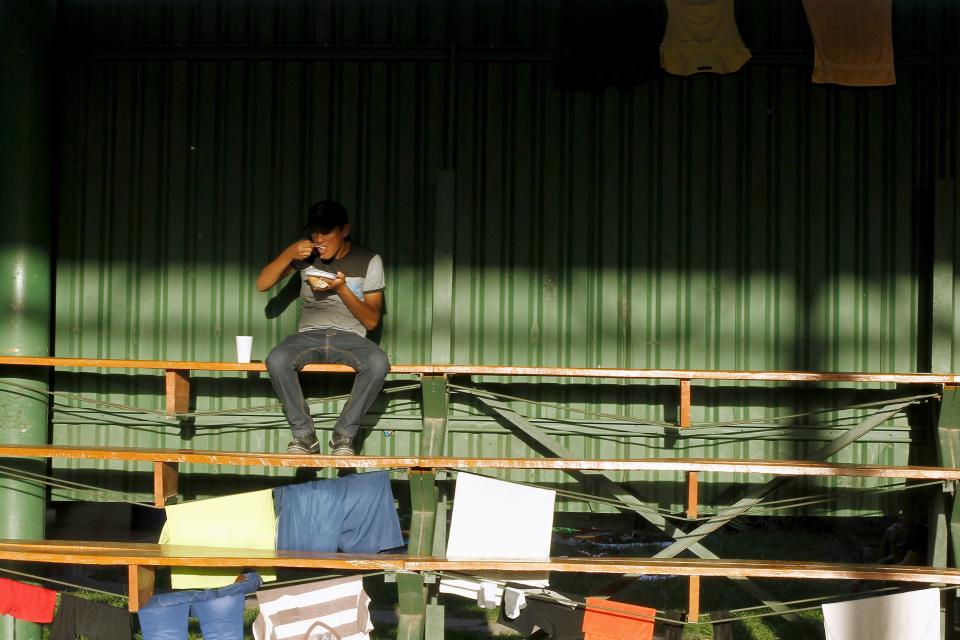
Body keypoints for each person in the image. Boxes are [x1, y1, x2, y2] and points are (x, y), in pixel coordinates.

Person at [256, 200, 390, 455]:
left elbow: (372, 321)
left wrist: (342, 289)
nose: (319, 239)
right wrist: (289, 253)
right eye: (314, 232)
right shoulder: (306, 258)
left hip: (351, 337)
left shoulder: (368, 260)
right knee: (277, 358)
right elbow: (262, 284)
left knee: (378, 362)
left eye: (326, 232)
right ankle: (305, 436)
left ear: (344, 230)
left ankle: (344, 435)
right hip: (309, 336)